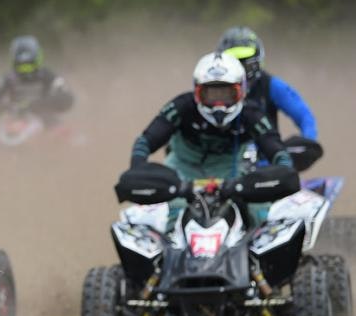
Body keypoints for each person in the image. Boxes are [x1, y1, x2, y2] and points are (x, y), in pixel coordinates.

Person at [128, 51, 293, 224]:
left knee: (259, 210)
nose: (219, 105)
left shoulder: (252, 114)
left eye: (227, 94)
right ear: (197, 92)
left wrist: (283, 172)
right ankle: (168, 247)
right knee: (170, 211)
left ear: (242, 91)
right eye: (210, 95)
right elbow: (145, 141)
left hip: (231, 172)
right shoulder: (181, 106)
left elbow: (278, 151)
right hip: (181, 169)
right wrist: (138, 170)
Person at [216, 26, 316, 141]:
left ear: (258, 62)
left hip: (266, 156)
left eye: (247, 67)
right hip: (221, 156)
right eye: (234, 65)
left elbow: (304, 116)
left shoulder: (272, 85)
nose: (241, 73)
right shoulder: (210, 88)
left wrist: (308, 142)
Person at [0, 35, 73, 123]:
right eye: (22, 65)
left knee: (67, 136)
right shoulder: (9, 78)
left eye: (28, 65)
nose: (26, 70)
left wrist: (49, 102)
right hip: (16, 122)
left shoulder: (47, 75)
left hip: (47, 121)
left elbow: (65, 94)